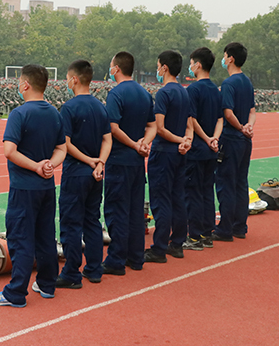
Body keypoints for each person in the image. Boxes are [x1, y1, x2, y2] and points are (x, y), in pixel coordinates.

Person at [0, 64, 67, 308]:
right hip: (46, 187)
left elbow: (9, 151)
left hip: (24, 187)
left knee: (21, 238)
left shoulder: (19, 113)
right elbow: (61, 148)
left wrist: (35, 167)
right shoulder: (54, 113)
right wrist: (49, 165)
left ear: (25, 84)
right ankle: (47, 284)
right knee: (45, 236)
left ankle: (16, 292)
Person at [57, 60, 112, 288]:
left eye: (67, 78)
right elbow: (107, 140)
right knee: (92, 220)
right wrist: (100, 163)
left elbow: (66, 143)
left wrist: (89, 161)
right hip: (95, 174)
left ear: (75, 79)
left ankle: (71, 273)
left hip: (76, 172)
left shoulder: (69, 108)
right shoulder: (100, 106)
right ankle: (94, 269)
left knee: (71, 223)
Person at [102, 51, 156, 275]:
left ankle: (116, 260)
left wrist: (134, 144)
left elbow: (113, 127)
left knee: (117, 211)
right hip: (137, 163)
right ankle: (136, 257)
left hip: (119, 160)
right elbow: (152, 125)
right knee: (135, 210)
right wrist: (144, 143)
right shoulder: (144, 94)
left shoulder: (116, 94)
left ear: (117, 68)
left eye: (111, 65)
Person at [144, 50, 193, 263]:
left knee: (161, 200)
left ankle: (159, 248)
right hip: (179, 153)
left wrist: (179, 140)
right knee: (177, 198)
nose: (157, 70)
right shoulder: (184, 92)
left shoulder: (164, 93)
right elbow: (190, 125)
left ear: (164, 68)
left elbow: (160, 128)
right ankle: (177, 243)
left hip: (164, 153)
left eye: (158, 66)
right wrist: (186, 141)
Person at [213, 42, 256, 241]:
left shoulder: (229, 84)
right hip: (245, 141)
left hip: (231, 139)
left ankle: (225, 229)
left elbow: (228, 113)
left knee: (226, 183)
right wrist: (248, 127)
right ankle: (240, 226)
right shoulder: (247, 82)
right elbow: (252, 111)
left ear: (230, 58)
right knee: (240, 182)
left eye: (224, 56)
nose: (223, 60)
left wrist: (239, 127)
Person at [182, 47, 223, 251]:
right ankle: (207, 233)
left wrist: (206, 139)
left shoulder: (193, 90)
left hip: (197, 149)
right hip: (211, 150)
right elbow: (220, 119)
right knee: (207, 191)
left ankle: (194, 236)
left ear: (198, 65)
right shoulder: (215, 90)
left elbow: (191, 119)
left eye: (191, 63)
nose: (190, 67)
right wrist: (214, 139)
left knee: (193, 193)